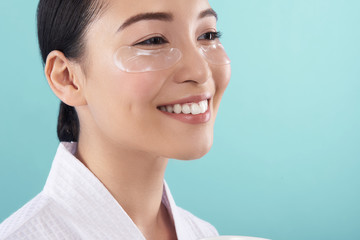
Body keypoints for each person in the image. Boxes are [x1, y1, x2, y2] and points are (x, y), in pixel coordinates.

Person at [0, 0, 231, 239]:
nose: (200, 71)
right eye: (153, 41)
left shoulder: (204, 234)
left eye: (208, 35)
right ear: (67, 77)